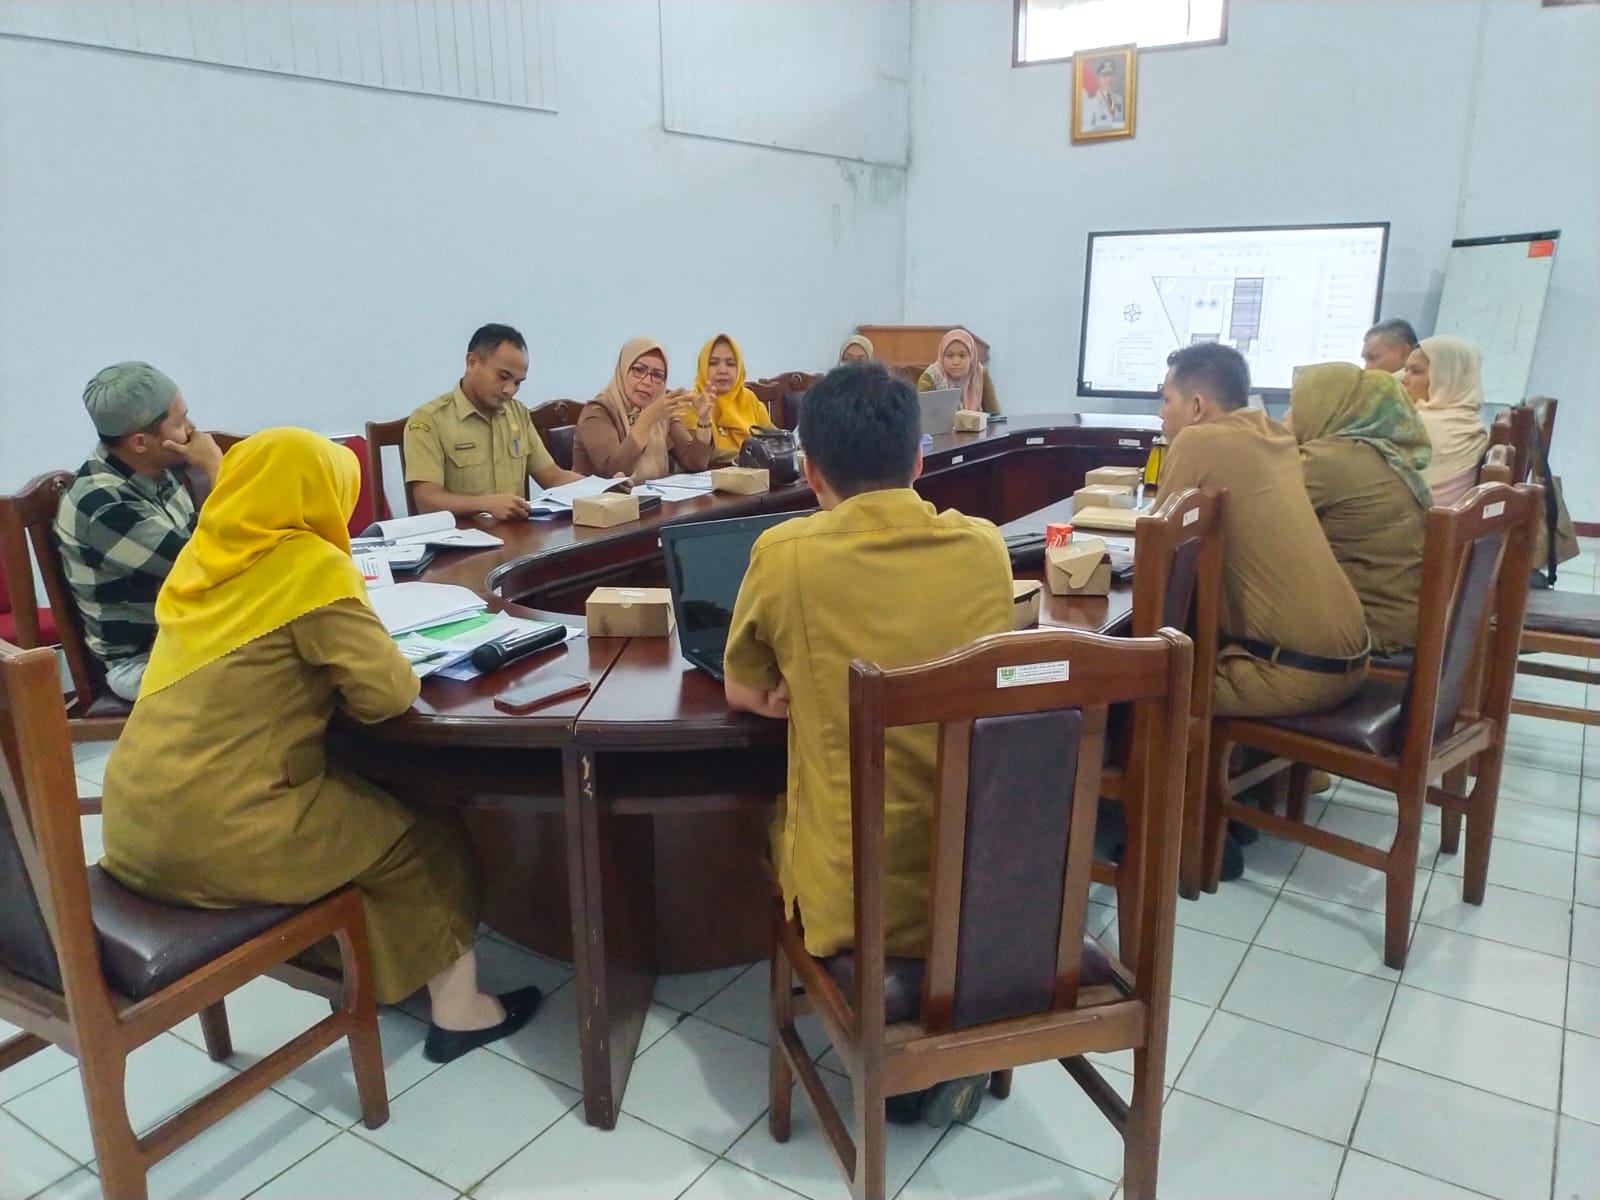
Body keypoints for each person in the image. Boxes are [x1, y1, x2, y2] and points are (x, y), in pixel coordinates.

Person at [99, 428, 541, 1064]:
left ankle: (389, 970)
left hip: (133, 826)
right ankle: (461, 1012)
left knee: (357, 803)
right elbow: (387, 696)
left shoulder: (204, 559)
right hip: (221, 835)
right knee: (422, 832)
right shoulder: (310, 568)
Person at [724, 361, 1012, 1126]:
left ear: (808, 469)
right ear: (919, 459)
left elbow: (744, 691)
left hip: (855, 899)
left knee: (776, 819)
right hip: (978, 878)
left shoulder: (785, 554)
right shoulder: (984, 548)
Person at [1158, 344, 1370, 717]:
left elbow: (1160, 552)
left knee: (1131, 692)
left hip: (1289, 673)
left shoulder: (1195, 439)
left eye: (1165, 400)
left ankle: (1175, 776)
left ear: (1196, 407)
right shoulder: (1273, 433)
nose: (1161, 414)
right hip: (1349, 660)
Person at [55, 362, 222, 702]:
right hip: (145, 659)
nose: (192, 430)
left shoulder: (158, 470)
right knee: (284, 673)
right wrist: (215, 465)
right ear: (141, 442)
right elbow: (214, 566)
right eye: (179, 421)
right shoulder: (102, 505)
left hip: (192, 634)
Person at [1289, 364, 1430, 656]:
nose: (1286, 416)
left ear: (1327, 407)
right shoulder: (1380, 451)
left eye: (1296, 406)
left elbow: (1250, 511)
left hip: (1368, 629)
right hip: (1402, 619)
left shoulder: (1329, 460)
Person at [405, 324, 585, 521]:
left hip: (517, 538)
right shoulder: (430, 421)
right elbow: (426, 501)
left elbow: (553, 477)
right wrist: (484, 504)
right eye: (503, 377)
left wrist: (605, 488)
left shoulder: (517, 413)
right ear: (472, 362)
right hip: (460, 542)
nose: (509, 390)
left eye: (518, 382)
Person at [573, 337, 714, 482]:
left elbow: (695, 463)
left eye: (657, 375)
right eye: (639, 370)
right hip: (597, 502)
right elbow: (614, 473)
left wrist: (704, 420)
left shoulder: (661, 406)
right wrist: (648, 419)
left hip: (652, 500)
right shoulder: (598, 412)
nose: (647, 382)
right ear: (623, 369)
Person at [1403, 335, 1488, 506]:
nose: (1404, 379)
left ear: (1446, 377)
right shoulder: (1468, 422)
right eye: (1406, 370)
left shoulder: (1420, 424)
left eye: (1416, 371)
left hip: (1417, 524)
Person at [694, 332, 769, 454]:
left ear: (739, 369)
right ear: (702, 367)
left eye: (731, 364)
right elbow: (700, 456)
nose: (723, 371)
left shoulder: (749, 399)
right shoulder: (693, 403)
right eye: (713, 363)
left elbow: (775, 436)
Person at [916, 328, 1000, 413]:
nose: (956, 362)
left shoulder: (980, 373)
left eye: (962, 355)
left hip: (978, 426)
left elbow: (995, 414)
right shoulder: (931, 377)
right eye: (949, 356)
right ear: (942, 356)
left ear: (971, 356)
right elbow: (920, 416)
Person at [1080, 57, 1125, 132]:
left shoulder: (1119, 99)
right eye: (1104, 76)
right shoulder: (1091, 101)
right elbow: (1085, 129)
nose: (1108, 79)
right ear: (1098, 78)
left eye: (1111, 75)